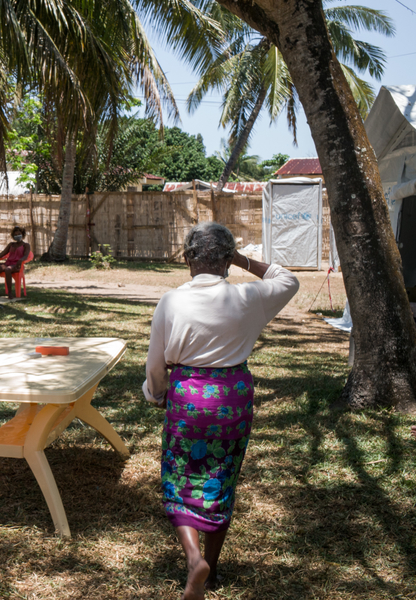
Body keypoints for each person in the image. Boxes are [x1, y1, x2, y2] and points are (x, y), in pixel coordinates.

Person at [145, 222, 298, 600]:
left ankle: (194, 557)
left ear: (186, 260)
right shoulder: (248, 297)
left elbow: (155, 368)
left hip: (188, 398)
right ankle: (211, 574)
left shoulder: (171, 300)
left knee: (180, 479)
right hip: (232, 398)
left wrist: (156, 394)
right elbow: (288, 279)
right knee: (221, 478)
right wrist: (242, 260)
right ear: (227, 261)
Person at [0, 227, 31, 298]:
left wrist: (20, 260)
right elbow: (3, 253)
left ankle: (10, 293)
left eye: (19, 234)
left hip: (17, 265)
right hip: (8, 263)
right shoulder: (11, 244)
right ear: (13, 236)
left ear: (22, 234)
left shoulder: (26, 245)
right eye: (15, 234)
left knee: (8, 269)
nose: (17, 236)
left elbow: (26, 255)